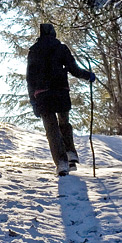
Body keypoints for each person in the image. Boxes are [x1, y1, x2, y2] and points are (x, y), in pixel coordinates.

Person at [26, 23, 95, 176]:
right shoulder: (61, 48)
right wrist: (88, 75)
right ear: (53, 33)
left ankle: (61, 163)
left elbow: (30, 78)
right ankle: (70, 153)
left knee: (52, 130)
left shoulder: (34, 50)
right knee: (64, 123)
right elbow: (74, 69)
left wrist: (33, 99)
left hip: (43, 94)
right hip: (60, 91)